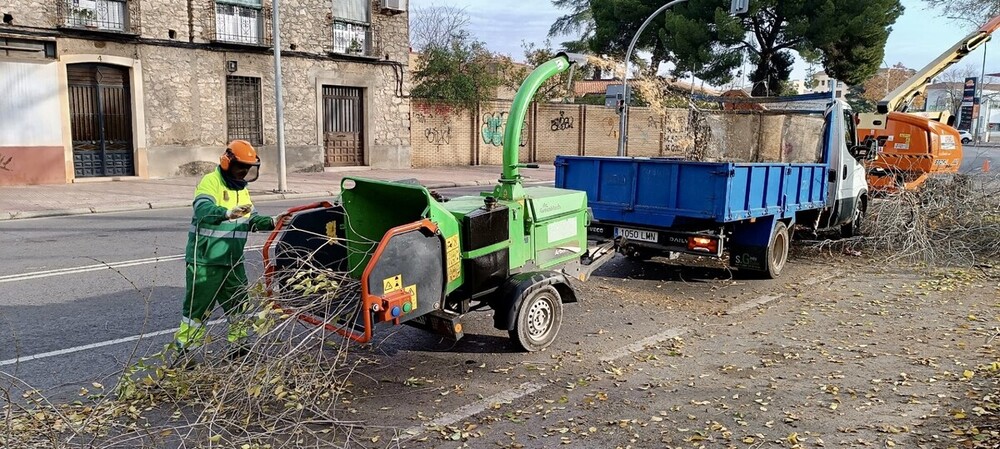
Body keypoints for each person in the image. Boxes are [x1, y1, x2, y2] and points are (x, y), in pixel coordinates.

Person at [173, 140, 283, 358]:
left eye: (248, 169)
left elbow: (251, 219)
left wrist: (273, 222)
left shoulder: (242, 190)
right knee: (197, 310)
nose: (243, 173)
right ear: (227, 163)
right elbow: (202, 210)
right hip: (206, 261)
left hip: (232, 261)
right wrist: (225, 213)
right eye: (240, 167)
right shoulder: (210, 182)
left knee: (240, 306)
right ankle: (184, 355)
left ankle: (239, 349)